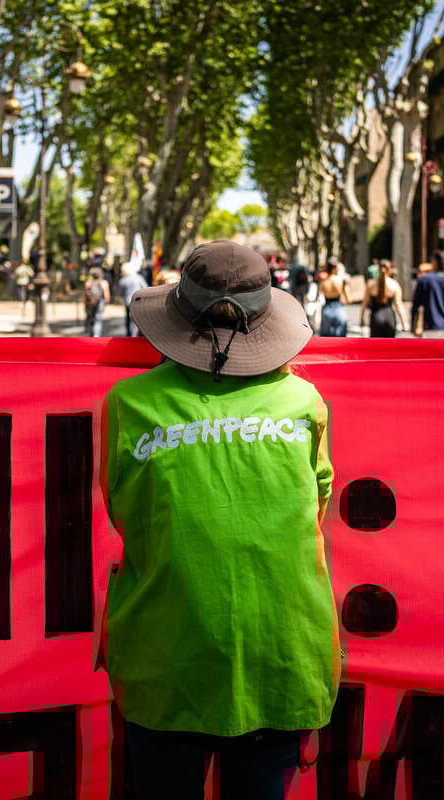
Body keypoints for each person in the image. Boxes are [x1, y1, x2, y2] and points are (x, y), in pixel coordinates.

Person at [100, 240, 337, 799]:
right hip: (282, 656)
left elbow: (124, 509)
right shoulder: (304, 402)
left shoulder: (128, 402)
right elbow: (315, 507)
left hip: (166, 657)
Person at [359, 259, 409, 337]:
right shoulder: (394, 285)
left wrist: (361, 319)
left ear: (378, 269)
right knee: (389, 346)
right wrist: (404, 322)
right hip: (389, 317)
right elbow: (399, 305)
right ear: (390, 270)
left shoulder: (370, 284)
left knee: (375, 346)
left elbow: (364, 304)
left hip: (376, 317)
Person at [318, 259, 353, 337]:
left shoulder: (323, 281)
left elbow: (317, 295)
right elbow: (349, 299)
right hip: (338, 308)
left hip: (326, 308)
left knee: (325, 337)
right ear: (334, 269)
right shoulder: (341, 280)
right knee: (340, 337)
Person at [116, 262, 149, 336]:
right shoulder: (138, 278)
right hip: (138, 301)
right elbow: (146, 288)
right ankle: (134, 335)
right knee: (136, 320)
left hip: (127, 302)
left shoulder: (122, 280)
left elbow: (120, 293)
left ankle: (129, 335)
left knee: (128, 319)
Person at [83, 266, 110, 336]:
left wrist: (85, 305)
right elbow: (107, 297)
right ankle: (96, 336)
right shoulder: (104, 283)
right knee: (98, 319)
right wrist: (105, 304)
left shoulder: (88, 283)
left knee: (91, 319)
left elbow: (85, 296)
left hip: (90, 303)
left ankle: (91, 336)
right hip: (100, 302)